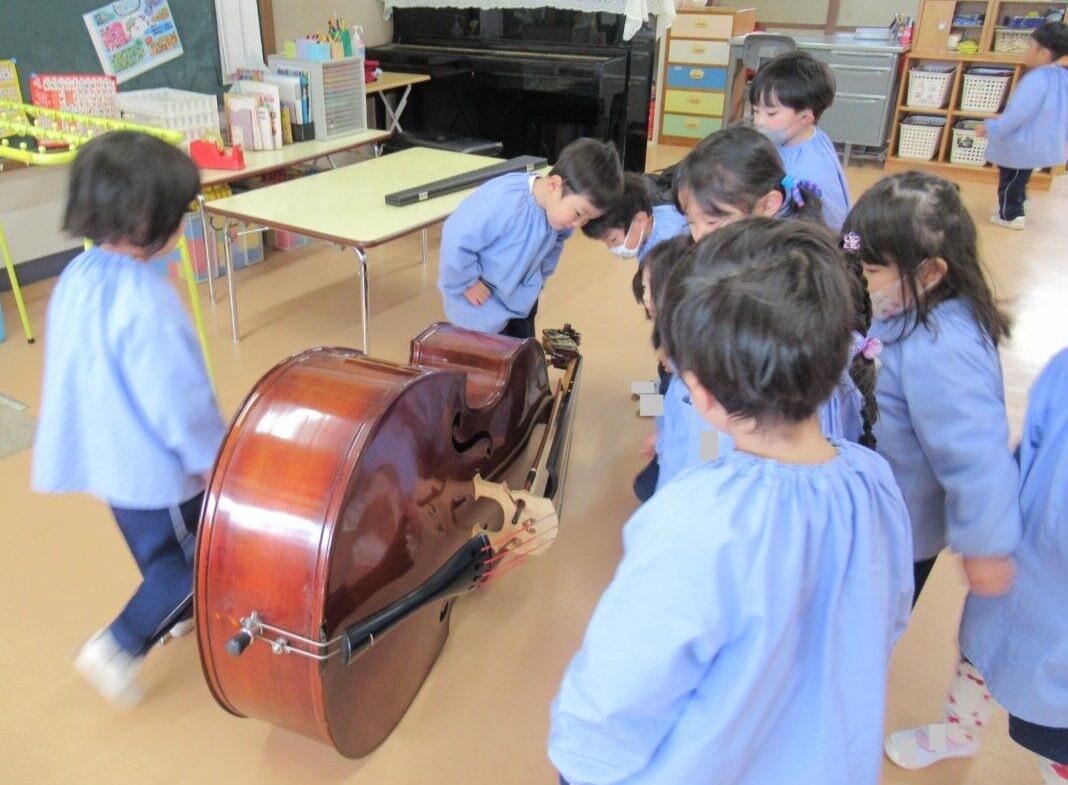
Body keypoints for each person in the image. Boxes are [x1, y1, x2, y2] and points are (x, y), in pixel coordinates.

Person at [549, 219, 914, 785]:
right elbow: (888, 615)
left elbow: (623, 686)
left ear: (700, 395)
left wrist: (580, 764)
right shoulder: (873, 478)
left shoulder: (693, 518)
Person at [32, 131, 226, 708]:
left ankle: (173, 615)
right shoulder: (149, 302)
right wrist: (212, 462)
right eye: (178, 213)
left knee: (157, 553)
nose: (182, 223)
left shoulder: (77, 276)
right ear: (146, 219)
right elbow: (181, 403)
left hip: (107, 460)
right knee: (197, 563)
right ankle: (119, 644)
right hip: (158, 473)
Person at [885, 349, 1068, 781]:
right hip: (1023, 551)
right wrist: (991, 531)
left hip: (1059, 595)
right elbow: (1029, 444)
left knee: (1051, 720)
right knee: (981, 653)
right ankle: (959, 730)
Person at [841, 170, 1021, 605]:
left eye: (868, 270)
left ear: (930, 273)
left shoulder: (945, 350)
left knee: (871, 617)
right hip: (868, 508)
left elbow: (975, 453)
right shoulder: (896, 305)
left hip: (899, 530)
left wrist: (986, 545)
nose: (856, 278)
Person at [438, 137, 623, 338]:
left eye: (587, 219)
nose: (578, 224)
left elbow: (554, 247)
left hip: (519, 299)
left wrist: (539, 281)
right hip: (482, 303)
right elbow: (456, 237)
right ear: (554, 185)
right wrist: (467, 282)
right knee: (491, 353)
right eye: (579, 213)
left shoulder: (558, 218)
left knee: (521, 351)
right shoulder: (504, 202)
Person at [978, 22, 1068, 230]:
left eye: (1030, 46)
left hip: (1022, 143)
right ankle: (1019, 202)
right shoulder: (1062, 77)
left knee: (1010, 179)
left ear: (1044, 53)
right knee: (1020, 178)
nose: (1027, 51)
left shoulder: (1035, 80)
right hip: (1039, 142)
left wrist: (993, 127)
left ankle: (1010, 214)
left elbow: (1018, 114)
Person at [750, 50, 851, 231]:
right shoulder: (806, 135)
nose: (759, 121)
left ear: (805, 117)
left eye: (771, 113)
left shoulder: (810, 172)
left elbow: (830, 228)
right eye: (756, 111)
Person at [671, 124, 824, 243]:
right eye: (690, 221)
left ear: (768, 205)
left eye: (712, 222)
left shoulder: (786, 266)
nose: (698, 237)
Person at [581, 172, 688, 262]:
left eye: (613, 239)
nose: (611, 248)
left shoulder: (664, 250)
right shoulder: (658, 213)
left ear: (640, 221)